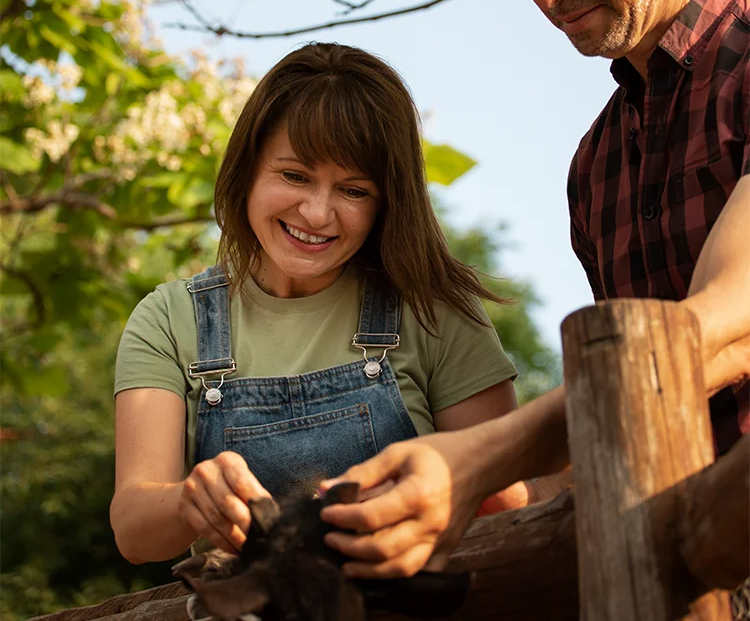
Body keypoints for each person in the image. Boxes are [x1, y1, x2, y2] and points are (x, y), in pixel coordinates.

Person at [317, 0, 750, 593]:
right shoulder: (596, 166)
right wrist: (398, 513)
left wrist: (477, 456)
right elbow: (626, 429)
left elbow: (723, 333)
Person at [109, 42, 520, 564]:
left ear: (387, 203)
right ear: (248, 169)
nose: (318, 213)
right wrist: (193, 499)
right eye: (295, 176)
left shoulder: (433, 310)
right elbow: (135, 532)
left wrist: (423, 493)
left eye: (353, 191)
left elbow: (511, 502)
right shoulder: (169, 320)